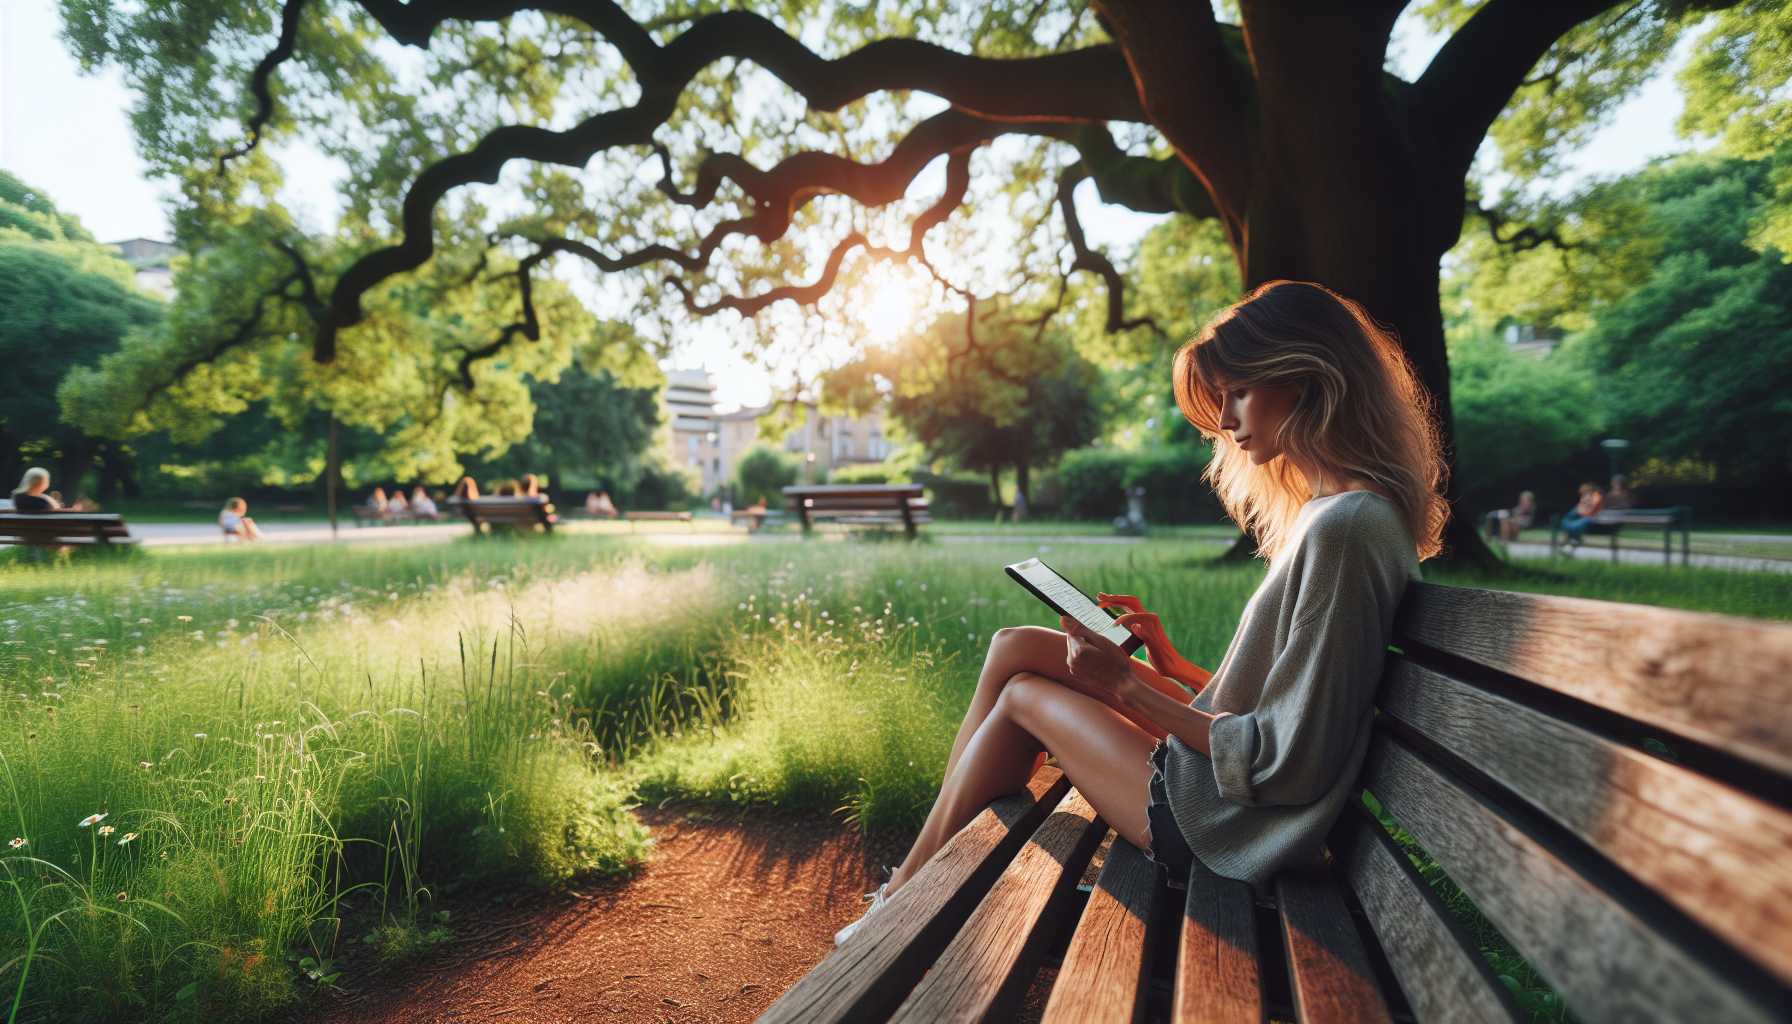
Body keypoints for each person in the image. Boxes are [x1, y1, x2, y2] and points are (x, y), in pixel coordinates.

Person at [833, 280, 1445, 945]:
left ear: (1302, 378)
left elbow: (1292, 761)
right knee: (1018, 646)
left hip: (1221, 824)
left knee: (1021, 697)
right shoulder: (1333, 515)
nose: (1226, 420)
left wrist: (1122, 685)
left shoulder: (1346, 528)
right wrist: (1177, 668)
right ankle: (923, 874)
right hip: (1221, 788)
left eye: (1238, 392)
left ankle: (901, 904)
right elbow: (1298, 701)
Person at [1558, 482, 1604, 548]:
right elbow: (1580, 508)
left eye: (1583, 490)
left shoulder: (1596, 496)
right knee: (1567, 521)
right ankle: (1573, 540)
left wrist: (1582, 510)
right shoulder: (1587, 496)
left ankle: (1570, 540)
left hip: (1590, 519)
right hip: (1583, 517)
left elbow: (1591, 509)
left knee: (1571, 524)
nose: (1581, 492)